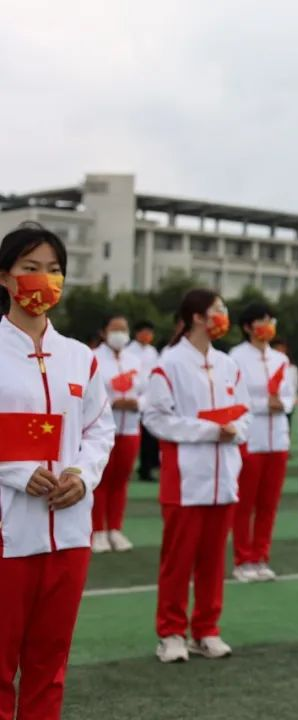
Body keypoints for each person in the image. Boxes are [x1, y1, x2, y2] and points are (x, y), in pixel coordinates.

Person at [0, 224, 115, 719]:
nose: (42, 280)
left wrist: (82, 475)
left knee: (50, 668)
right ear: (4, 276)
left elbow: (100, 428)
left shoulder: (80, 358)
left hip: (68, 534)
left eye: (53, 270)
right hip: (7, 534)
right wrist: (15, 471)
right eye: (30, 268)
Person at [143, 289, 251, 664]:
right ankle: (171, 632)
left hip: (225, 479)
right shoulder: (169, 363)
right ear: (197, 317)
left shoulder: (228, 364)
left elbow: (246, 412)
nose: (224, 316)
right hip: (186, 480)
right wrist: (209, 431)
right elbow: (155, 418)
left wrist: (236, 429)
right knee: (178, 561)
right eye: (217, 310)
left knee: (213, 561)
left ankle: (206, 629)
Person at [229, 303, 297, 582]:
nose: (267, 325)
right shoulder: (235, 358)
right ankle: (242, 560)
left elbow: (289, 395)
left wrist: (284, 405)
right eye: (261, 321)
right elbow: (234, 398)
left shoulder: (280, 360)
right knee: (245, 504)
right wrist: (262, 405)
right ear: (247, 327)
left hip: (278, 440)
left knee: (269, 505)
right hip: (250, 439)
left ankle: (261, 557)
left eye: (270, 320)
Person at [91, 313, 144, 553]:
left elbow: (149, 391)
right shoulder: (93, 358)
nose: (120, 334)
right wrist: (112, 403)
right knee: (101, 480)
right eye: (115, 329)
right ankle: (97, 531)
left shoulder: (136, 360)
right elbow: (89, 392)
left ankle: (115, 529)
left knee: (121, 481)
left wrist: (138, 403)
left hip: (130, 428)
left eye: (124, 329)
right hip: (102, 429)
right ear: (103, 332)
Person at [129, 320, 161, 483]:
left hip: (148, 397)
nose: (148, 335)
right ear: (137, 333)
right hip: (132, 397)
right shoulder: (129, 351)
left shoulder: (152, 352)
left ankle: (146, 468)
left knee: (149, 436)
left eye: (150, 333)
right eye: (145, 332)